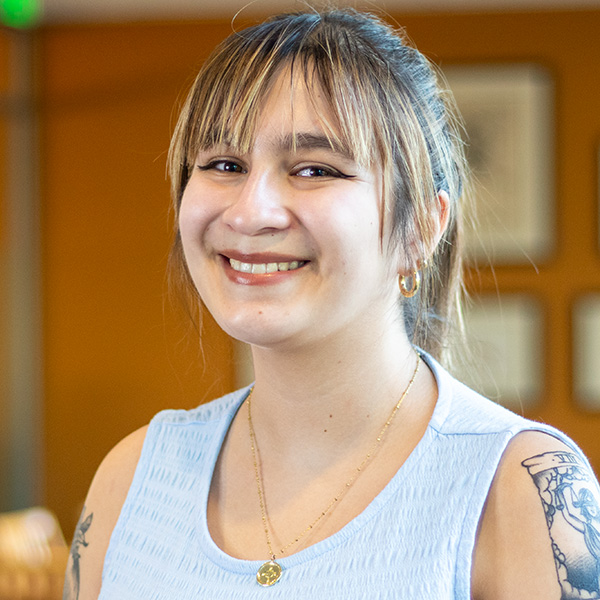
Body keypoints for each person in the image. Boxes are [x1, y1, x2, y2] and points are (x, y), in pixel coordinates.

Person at [63, 8, 600, 600]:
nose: (249, 212)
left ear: (421, 226)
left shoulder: (522, 489)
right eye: (224, 165)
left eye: (315, 168)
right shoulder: (130, 477)